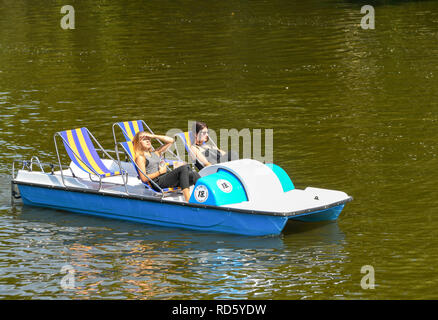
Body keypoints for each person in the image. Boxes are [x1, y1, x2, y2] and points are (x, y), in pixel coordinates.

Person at [133, 131, 200, 202]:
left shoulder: (156, 153)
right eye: (144, 139)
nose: (148, 141)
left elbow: (171, 141)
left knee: (193, 173)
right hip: (157, 182)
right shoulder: (140, 157)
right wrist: (159, 172)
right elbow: (143, 178)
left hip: (165, 178)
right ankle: (188, 200)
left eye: (149, 138)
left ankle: (205, 196)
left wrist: (154, 136)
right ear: (138, 143)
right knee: (183, 168)